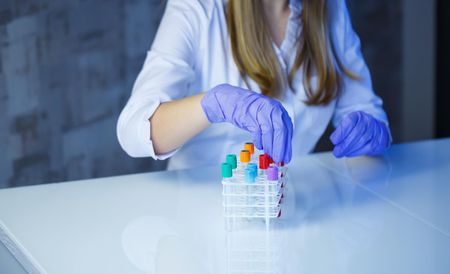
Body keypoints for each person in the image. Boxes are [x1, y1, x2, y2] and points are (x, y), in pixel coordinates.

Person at [117, 0, 391, 170]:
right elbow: (133, 131)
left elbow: (364, 107)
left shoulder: (330, 7)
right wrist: (212, 104)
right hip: (195, 216)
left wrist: (371, 133)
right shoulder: (196, 7)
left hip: (290, 205)